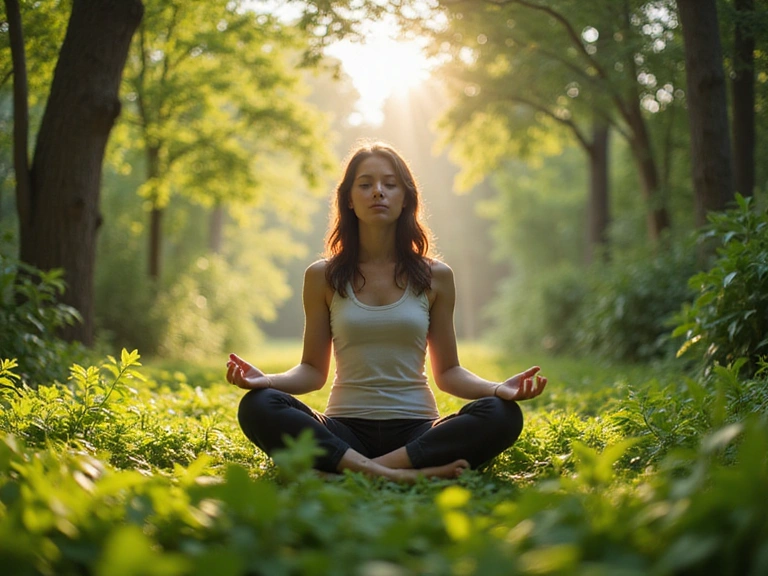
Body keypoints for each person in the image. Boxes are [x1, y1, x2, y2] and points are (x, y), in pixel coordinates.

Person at [227, 141, 546, 483]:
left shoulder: (436, 276)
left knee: (503, 415)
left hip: (416, 432)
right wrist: (266, 382)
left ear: (406, 197)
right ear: (349, 199)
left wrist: (499, 389)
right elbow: (312, 371)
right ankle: (406, 475)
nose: (378, 192)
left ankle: (348, 473)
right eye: (365, 184)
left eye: (390, 184)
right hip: (344, 430)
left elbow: (449, 372)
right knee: (259, 405)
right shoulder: (322, 275)